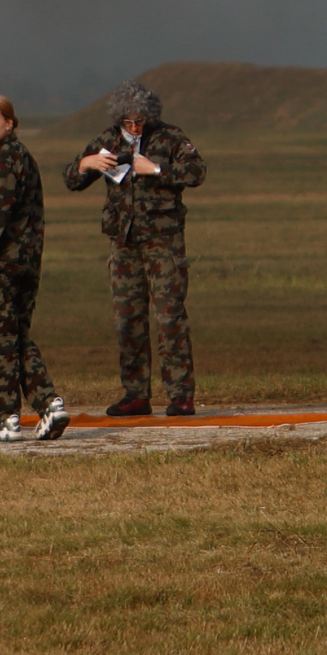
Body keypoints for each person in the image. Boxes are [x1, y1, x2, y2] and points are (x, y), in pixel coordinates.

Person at [68, 82, 209, 416]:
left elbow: (197, 171)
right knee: (128, 320)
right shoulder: (108, 141)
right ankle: (136, 394)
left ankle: (180, 395)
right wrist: (86, 164)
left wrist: (157, 170)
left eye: (141, 121)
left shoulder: (171, 137)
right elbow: (71, 180)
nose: (135, 127)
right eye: (129, 122)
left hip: (163, 241)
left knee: (170, 317)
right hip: (123, 243)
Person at [0, 96, 65, 442]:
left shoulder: (5, 161)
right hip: (26, 264)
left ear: (10, 123)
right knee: (18, 338)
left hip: (2, 266)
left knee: (0, 342)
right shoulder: (20, 156)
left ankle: (7, 418)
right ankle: (50, 405)